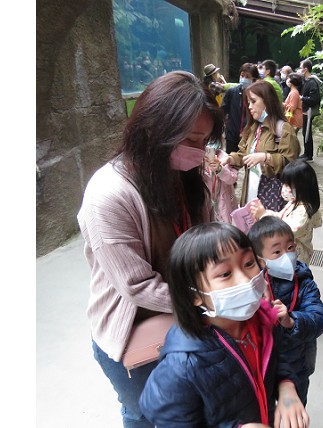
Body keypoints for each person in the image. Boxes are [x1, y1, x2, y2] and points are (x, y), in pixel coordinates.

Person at [76, 70, 224, 427]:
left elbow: (206, 238)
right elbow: (137, 286)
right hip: (137, 334)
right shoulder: (109, 194)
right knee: (143, 413)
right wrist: (209, 300)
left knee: (189, 409)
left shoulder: (186, 176)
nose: (199, 151)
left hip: (187, 317)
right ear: (153, 130)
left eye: (204, 140)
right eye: (191, 139)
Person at [139, 222, 310, 427]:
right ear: (194, 295)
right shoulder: (182, 365)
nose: (245, 280)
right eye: (225, 274)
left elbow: (282, 353)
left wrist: (286, 385)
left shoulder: (264, 317)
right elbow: (171, 420)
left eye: (249, 263)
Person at [248, 216, 323, 406]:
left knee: (296, 407)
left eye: (290, 247)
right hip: (263, 365)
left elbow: (319, 317)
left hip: (297, 362)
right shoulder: (254, 284)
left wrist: (292, 321)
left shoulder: (304, 282)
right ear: (260, 260)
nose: (287, 255)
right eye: (277, 251)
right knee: (266, 407)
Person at [222, 80, 300, 212]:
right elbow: (243, 154)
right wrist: (230, 159)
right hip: (250, 191)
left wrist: (265, 157)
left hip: (272, 196)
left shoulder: (283, 129)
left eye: (253, 101)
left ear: (267, 101)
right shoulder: (253, 127)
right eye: (248, 103)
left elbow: (291, 162)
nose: (250, 107)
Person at [249, 159, 322, 265]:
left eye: (287, 185)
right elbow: (281, 217)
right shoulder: (294, 202)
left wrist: (264, 215)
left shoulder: (303, 211)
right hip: (287, 254)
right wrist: (265, 213)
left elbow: (286, 231)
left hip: (295, 259)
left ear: (301, 187)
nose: (283, 188)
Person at [222, 63, 259, 153]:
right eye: (242, 75)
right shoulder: (232, 92)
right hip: (232, 136)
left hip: (250, 137)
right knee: (230, 159)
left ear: (254, 79)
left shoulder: (257, 96)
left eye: (247, 76)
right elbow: (222, 111)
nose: (244, 79)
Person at [205, 146, 239, 224]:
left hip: (223, 205)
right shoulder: (195, 159)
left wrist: (220, 169)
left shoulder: (224, 157)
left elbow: (232, 179)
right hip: (206, 205)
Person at [298, 59, 322, 162]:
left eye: (301, 67)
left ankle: (309, 155)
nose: (300, 70)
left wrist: (302, 98)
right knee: (305, 132)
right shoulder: (307, 81)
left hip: (309, 111)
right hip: (305, 110)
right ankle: (306, 153)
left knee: (307, 132)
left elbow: (314, 99)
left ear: (305, 69)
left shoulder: (312, 82)